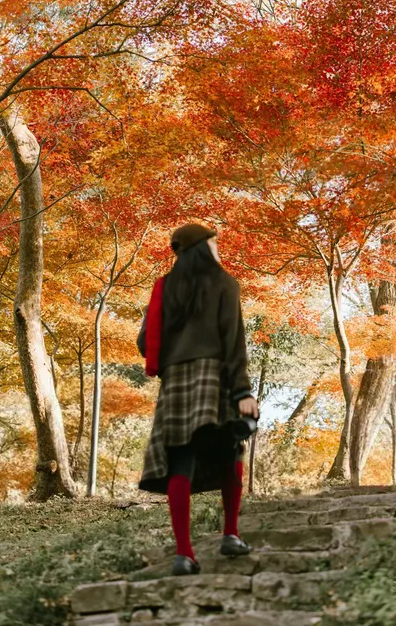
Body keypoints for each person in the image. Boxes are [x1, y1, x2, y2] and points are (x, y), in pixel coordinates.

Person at [137, 223, 259, 576]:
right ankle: (231, 535)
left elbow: (146, 342)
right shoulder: (224, 283)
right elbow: (234, 343)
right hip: (216, 378)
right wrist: (243, 393)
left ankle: (184, 554)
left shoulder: (164, 287)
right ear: (203, 248)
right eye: (214, 243)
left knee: (180, 460)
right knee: (232, 449)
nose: (218, 249)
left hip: (175, 380)